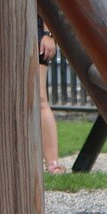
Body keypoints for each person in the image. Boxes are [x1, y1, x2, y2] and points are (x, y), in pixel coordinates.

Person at [38, 19, 66, 174]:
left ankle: (52, 163)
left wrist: (48, 34)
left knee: (40, 99)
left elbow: (46, 4)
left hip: (35, 31)